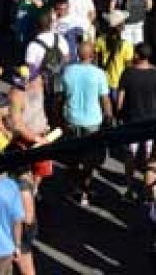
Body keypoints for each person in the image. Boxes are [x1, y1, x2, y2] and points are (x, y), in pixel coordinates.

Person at [58, 41, 112, 205]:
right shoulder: (99, 74)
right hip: (92, 122)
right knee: (90, 159)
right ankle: (86, 190)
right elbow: (105, 100)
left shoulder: (68, 71)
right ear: (92, 55)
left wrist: (58, 117)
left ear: (78, 54)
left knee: (72, 157)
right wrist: (108, 117)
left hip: (71, 119)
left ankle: (73, 188)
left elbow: (61, 97)